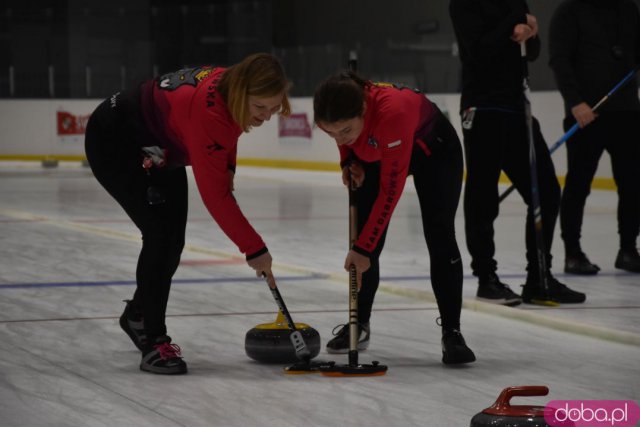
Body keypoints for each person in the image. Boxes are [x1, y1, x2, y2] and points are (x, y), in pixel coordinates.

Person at [84, 53, 291, 374]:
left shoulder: (233, 87)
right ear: (240, 95)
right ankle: (154, 341)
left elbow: (231, 131)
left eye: (274, 108)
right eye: (259, 108)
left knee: (173, 241)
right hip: (114, 138)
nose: (265, 117)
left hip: (161, 144)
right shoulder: (210, 113)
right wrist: (255, 248)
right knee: (159, 235)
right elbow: (216, 197)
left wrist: (229, 167)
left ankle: (138, 314)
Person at [313, 72, 476, 365]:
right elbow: (346, 140)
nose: (339, 138)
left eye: (345, 131)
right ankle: (359, 324)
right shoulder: (344, 114)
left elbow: (390, 192)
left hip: (434, 152)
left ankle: (453, 333)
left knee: (439, 235)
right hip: (380, 151)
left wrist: (363, 251)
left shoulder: (392, 112)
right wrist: (349, 159)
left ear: (362, 110)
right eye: (331, 134)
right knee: (363, 237)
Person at [449, 0, 586, 305]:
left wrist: (531, 34)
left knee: (547, 192)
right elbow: (479, 51)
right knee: (483, 196)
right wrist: (516, 22)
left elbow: (531, 52)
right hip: (483, 107)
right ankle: (487, 278)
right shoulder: (463, 4)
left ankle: (539, 276)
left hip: (516, 106)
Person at [549, 0, 640, 275]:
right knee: (578, 185)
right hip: (587, 113)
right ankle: (573, 253)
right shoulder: (569, 11)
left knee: (633, 184)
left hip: (626, 111)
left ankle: (628, 249)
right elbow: (559, 59)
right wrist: (575, 102)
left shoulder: (628, 9)